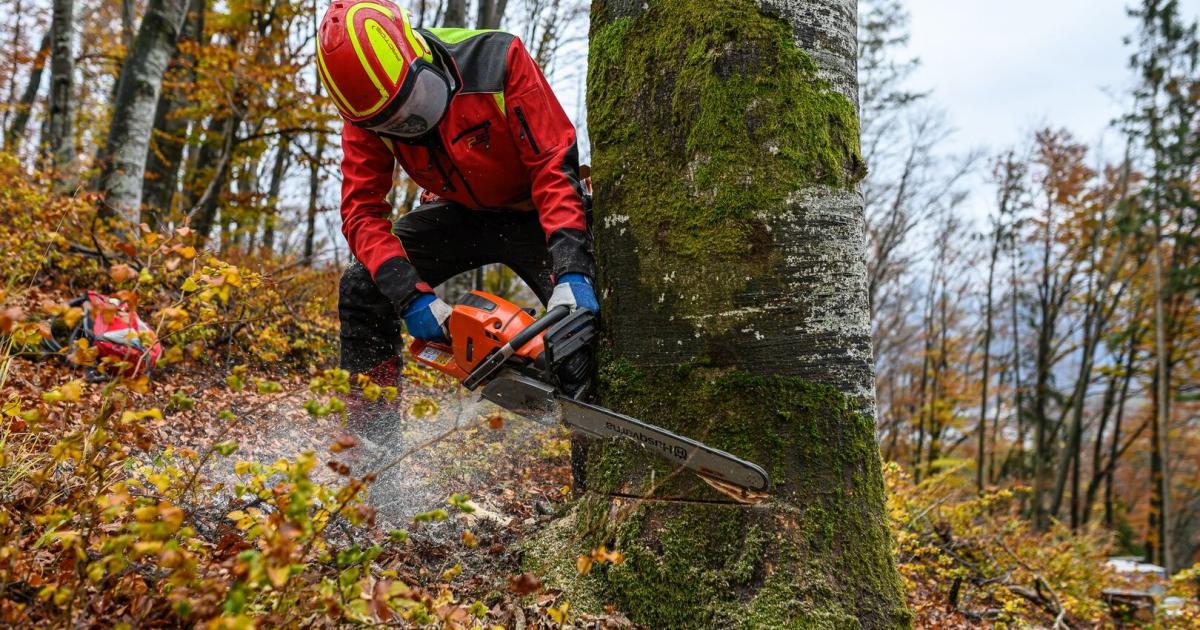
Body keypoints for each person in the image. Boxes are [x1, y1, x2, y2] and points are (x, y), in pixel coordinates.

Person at [316, 0, 598, 390]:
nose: (408, 124)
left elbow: (552, 161)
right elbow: (361, 212)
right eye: (390, 122)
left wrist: (571, 268)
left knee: (580, 332)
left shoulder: (497, 58)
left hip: (535, 208)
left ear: (416, 51)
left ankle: (594, 430)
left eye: (410, 105)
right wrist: (410, 296)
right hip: (458, 213)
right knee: (363, 288)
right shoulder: (364, 113)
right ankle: (369, 438)